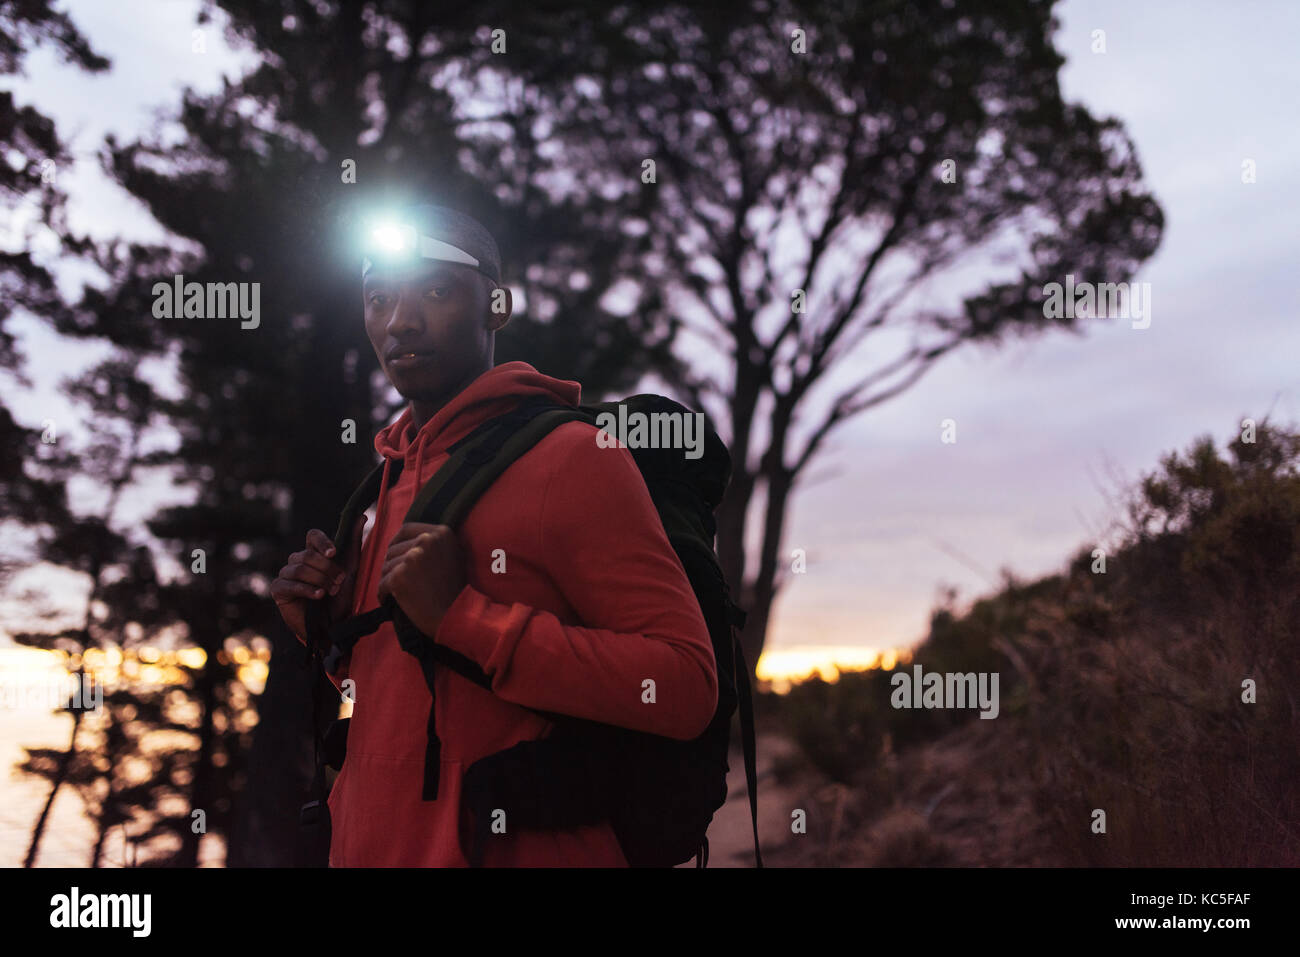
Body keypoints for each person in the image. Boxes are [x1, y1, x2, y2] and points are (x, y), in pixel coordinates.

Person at [270, 203, 718, 866]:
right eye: (379, 297)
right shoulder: (382, 488)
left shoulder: (574, 457)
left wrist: (463, 616)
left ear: (498, 305)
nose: (401, 321)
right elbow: (419, 707)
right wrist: (329, 636)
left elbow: (684, 687)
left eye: (436, 289)